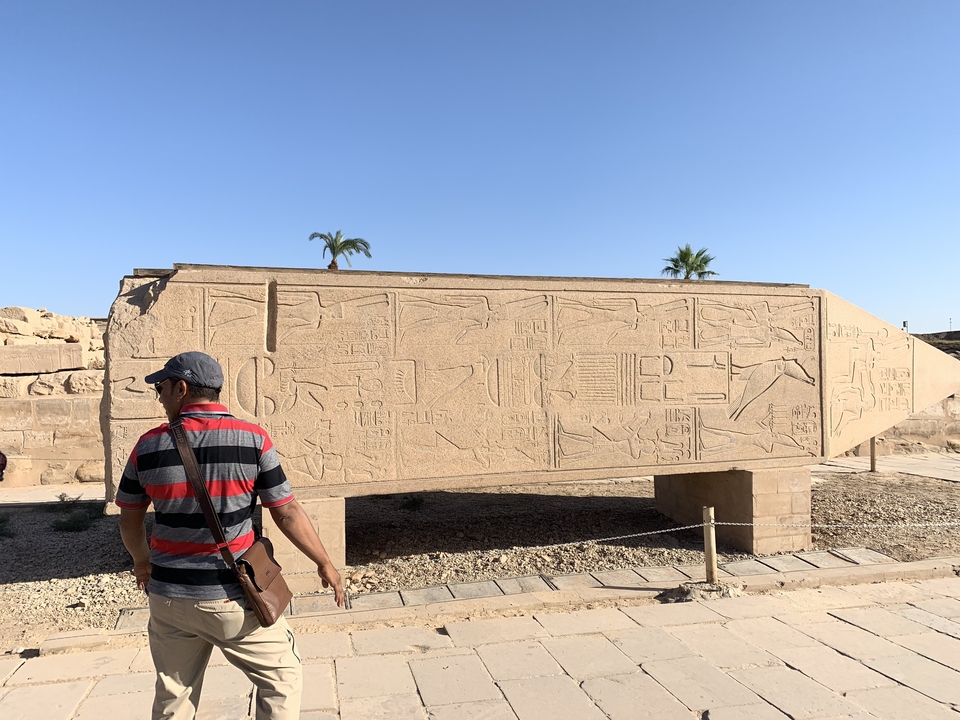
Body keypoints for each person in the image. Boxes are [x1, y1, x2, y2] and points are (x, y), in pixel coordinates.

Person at [116, 351, 344, 720]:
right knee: (281, 680)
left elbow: (129, 521)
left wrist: (142, 564)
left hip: (169, 598)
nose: (160, 396)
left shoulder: (147, 446)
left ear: (181, 388)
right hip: (232, 598)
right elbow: (285, 511)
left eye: (161, 388)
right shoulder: (253, 439)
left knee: (173, 696)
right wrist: (325, 564)